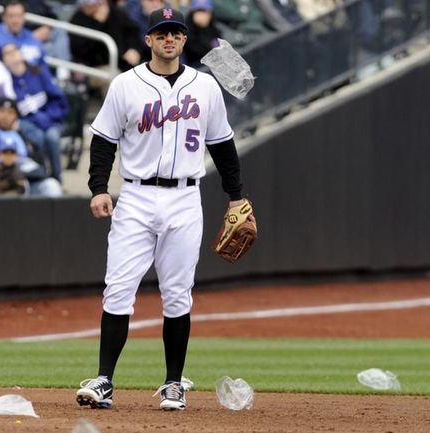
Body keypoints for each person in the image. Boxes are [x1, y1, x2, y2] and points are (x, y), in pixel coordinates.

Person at [77, 7, 253, 411]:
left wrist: (237, 194)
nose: (169, 38)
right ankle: (104, 380)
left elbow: (222, 145)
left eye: (175, 32)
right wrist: (98, 188)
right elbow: (103, 140)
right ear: (149, 40)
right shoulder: (125, 85)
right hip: (136, 196)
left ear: (184, 40)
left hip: (185, 198)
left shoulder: (205, 86)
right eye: (161, 33)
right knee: (118, 289)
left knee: (178, 295)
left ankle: (173, 384)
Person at [1, 44, 69, 183]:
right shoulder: (6, 81)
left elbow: (59, 99)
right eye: (6, 54)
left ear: (21, 53)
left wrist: (49, 117)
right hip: (27, 121)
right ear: (3, 61)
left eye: (14, 51)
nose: (12, 56)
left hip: (50, 118)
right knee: (38, 138)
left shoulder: (39, 72)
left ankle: (57, 178)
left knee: (52, 138)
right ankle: (42, 177)